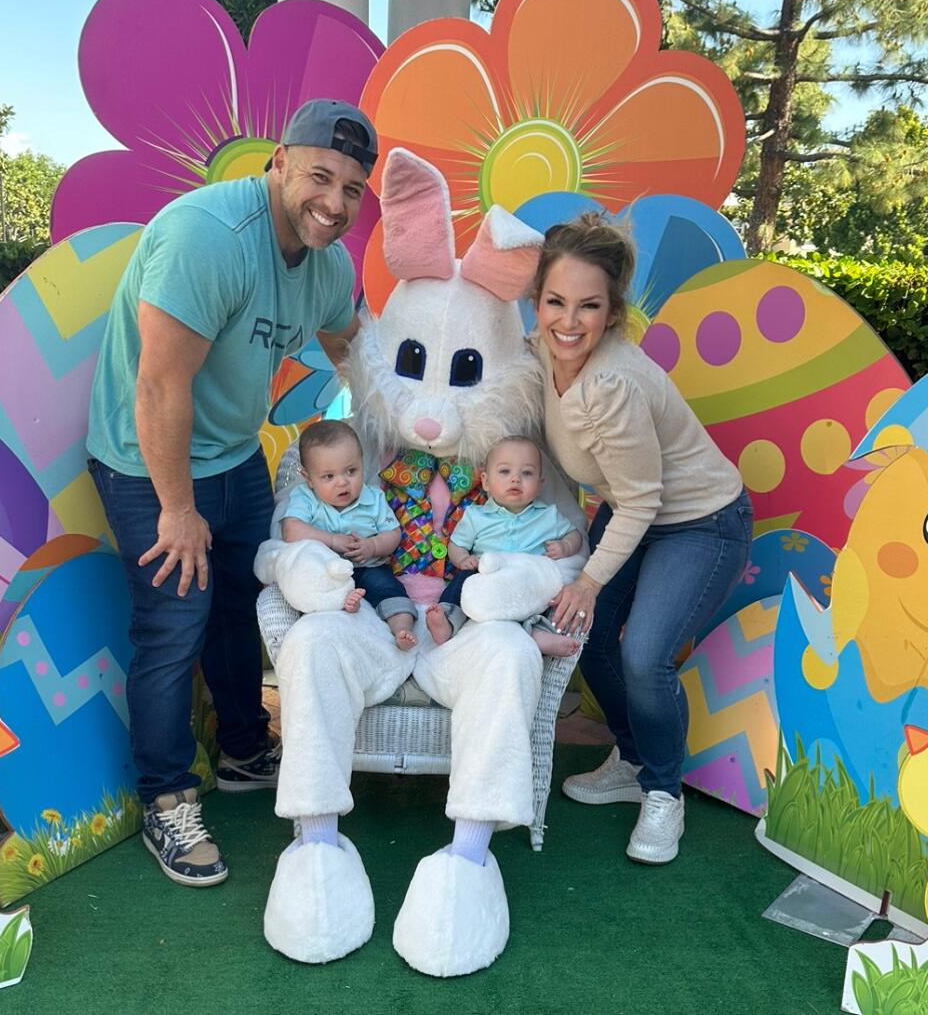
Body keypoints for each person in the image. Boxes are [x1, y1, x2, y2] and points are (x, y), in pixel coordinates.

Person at [86, 99, 376, 887]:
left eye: (352, 189)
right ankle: (167, 796)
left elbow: (356, 352)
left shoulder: (329, 264)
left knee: (240, 604)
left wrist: (405, 428)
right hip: (148, 459)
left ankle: (246, 748)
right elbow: (157, 387)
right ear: (280, 161)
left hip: (234, 453)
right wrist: (177, 510)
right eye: (321, 176)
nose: (334, 202)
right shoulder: (208, 237)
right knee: (173, 622)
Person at [531, 214, 753, 864]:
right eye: (556, 301)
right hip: (636, 509)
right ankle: (632, 759)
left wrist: (588, 579)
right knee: (587, 636)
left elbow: (641, 500)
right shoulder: (538, 350)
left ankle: (664, 791)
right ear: (537, 298)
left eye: (589, 306)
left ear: (613, 310)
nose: (568, 322)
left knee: (644, 655)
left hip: (700, 520)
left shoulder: (612, 384)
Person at [425, 435, 584, 657]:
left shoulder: (549, 515)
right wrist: (462, 559)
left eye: (527, 473)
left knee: (540, 599)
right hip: (485, 577)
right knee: (463, 580)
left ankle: (537, 633)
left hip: (522, 581)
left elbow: (575, 534)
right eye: (504, 472)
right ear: (486, 481)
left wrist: (565, 546)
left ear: (540, 485)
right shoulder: (476, 516)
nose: (516, 479)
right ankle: (449, 618)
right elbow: (456, 545)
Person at [280, 420, 420, 649]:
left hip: (369, 566)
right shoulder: (304, 498)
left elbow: (393, 533)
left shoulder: (373, 497)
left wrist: (373, 546)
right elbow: (291, 530)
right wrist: (332, 540)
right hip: (327, 571)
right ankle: (344, 605)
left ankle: (401, 628)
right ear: (308, 478)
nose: (343, 482)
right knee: (320, 589)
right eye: (328, 477)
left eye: (351, 471)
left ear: (362, 463)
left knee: (389, 590)